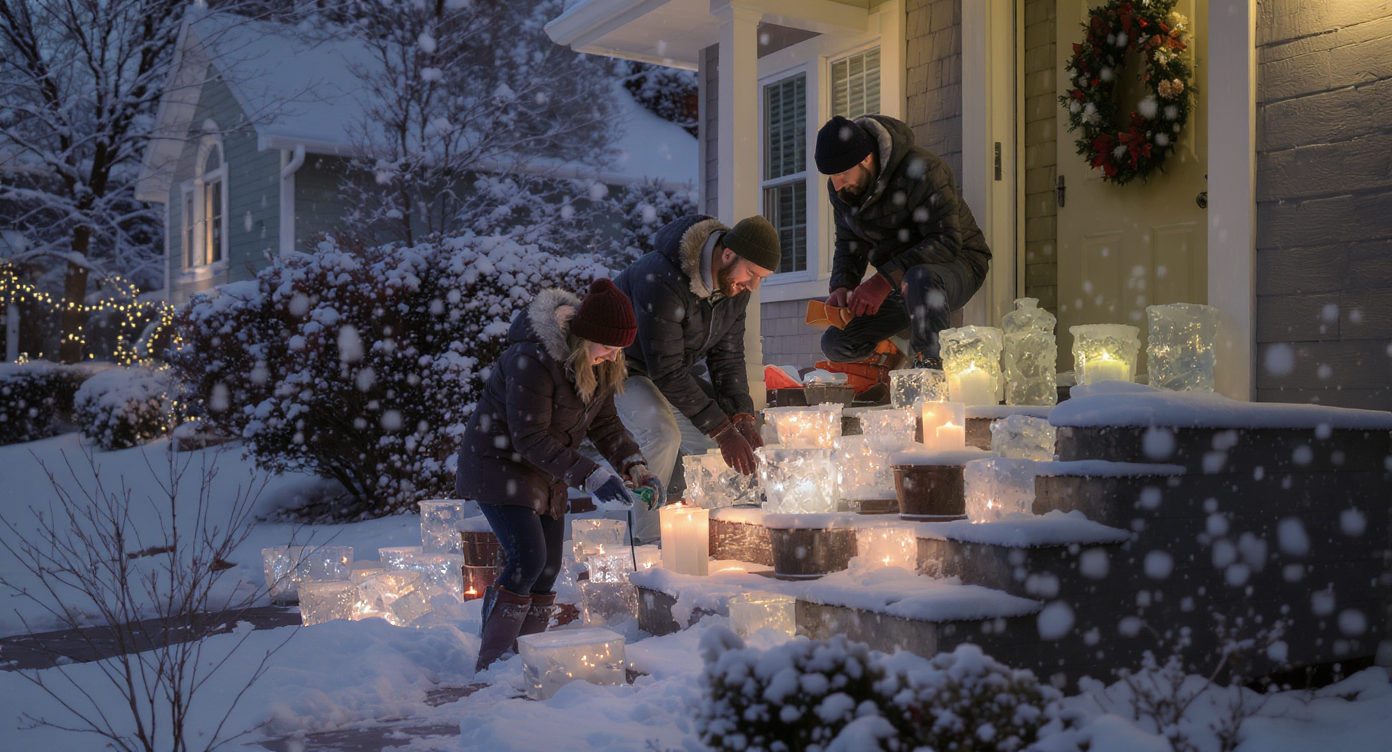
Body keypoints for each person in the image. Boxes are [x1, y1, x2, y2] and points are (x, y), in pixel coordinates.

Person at [456, 278, 665, 671]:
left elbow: (606, 426)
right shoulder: (532, 359)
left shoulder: (600, 364)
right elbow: (528, 436)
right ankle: (493, 661)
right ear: (585, 335)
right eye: (608, 346)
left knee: (548, 568)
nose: (613, 356)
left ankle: (522, 658)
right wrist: (590, 476)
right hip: (498, 466)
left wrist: (633, 465)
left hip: (546, 471)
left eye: (621, 349)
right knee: (527, 559)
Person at [612, 214, 778, 543]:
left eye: (762, 278)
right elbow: (667, 369)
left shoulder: (735, 288)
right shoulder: (661, 277)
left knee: (710, 445)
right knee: (662, 434)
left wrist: (740, 417)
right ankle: (646, 540)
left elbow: (728, 357)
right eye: (752, 274)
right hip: (618, 369)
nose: (753, 286)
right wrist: (722, 427)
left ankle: (705, 528)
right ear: (728, 254)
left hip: (663, 374)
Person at [815, 114, 992, 369]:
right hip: (900, 279)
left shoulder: (922, 169)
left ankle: (929, 373)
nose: (837, 184)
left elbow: (946, 241)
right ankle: (890, 359)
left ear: (866, 158)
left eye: (842, 173)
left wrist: (882, 281)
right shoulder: (842, 189)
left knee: (919, 277)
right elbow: (848, 242)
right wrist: (843, 285)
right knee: (836, 343)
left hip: (959, 262)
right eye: (830, 176)